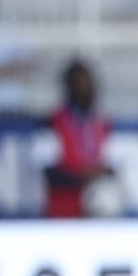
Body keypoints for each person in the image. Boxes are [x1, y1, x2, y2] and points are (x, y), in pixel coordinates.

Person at [44, 59, 116, 218]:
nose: (84, 88)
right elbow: (48, 174)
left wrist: (101, 175)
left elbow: (113, 167)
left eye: (88, 83)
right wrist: (82, 178)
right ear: (68, 87)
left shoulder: (103, 123)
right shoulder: (52, 123)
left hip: (96, 215)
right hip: (62, 214)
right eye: (78, 83)